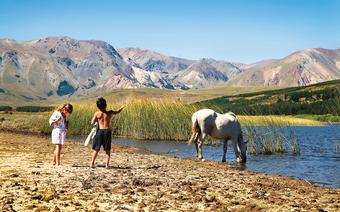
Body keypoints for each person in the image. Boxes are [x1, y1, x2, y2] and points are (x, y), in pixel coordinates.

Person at [90, 97, 124, 168]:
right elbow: (118, 111)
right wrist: (121, 108)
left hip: (99, 131)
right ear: (106, 105)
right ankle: (107, 165)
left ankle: (92, 163)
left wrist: (97, 121)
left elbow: (92, 122)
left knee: (96, 149)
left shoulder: (97, 113)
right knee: (107, 149)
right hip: (107, 131)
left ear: (98, 106)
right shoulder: (110, 112)